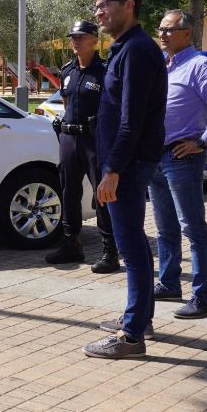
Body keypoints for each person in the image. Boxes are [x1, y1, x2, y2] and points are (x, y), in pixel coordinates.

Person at [83, 0, 167, 359]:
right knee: (132, 244)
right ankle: (139, 319)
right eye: (97, 6)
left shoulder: (136, 51)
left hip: (128, 166)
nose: (99, 12)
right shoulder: (127, 49)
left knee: (131, 246)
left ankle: (132, 337)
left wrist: (113, 169)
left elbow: (131, 121)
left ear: (129, 6)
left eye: (105, 5)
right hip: (126, 163)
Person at [149, 10, 207, 319]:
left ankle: (202, 297)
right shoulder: (165, 66)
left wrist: (202, 140)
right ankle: (170, 282)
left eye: (169, 30)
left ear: (187, 33)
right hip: (157, 157)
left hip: (183, 157)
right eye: (160, 29)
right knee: (165, 228)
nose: (163, 35)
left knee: (193, 228)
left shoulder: (200, 65)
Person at [45, 20, 118, 273]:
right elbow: (67, 105)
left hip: (94, 141)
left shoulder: (105, 71)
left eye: (81, 36)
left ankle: (110, 251)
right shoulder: (67, 71)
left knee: (102, 196)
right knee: (69, 192)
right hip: (69, 138)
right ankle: (71, 244)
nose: (76, 41)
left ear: (94, 40)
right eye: (73, 37)